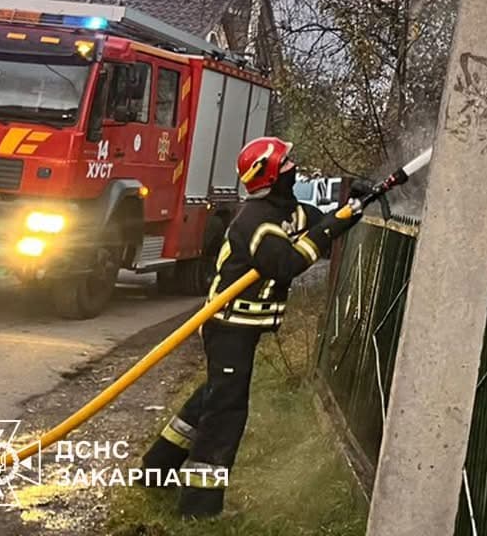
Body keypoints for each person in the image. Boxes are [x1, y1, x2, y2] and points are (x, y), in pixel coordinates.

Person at [139, 136, 360, 518]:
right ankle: (199, 507)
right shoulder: (256, 222)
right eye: (287, 164)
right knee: (226, 411)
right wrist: (330, 232)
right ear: (272, 175)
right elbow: (286, 264)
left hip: (242, 324)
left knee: (214, 395)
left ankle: (155, 471)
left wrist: (350, 208)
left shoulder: (284, 209)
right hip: (228, 326)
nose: (294, 167)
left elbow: (315, 221)